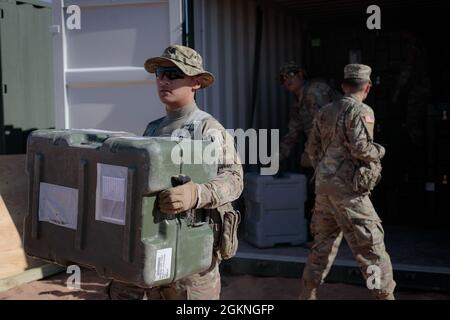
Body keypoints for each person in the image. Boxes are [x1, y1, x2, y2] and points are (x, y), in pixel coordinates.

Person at [108, 45, 243, 300]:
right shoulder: (153, 129)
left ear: (196, 83)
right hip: (157, 248)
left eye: (173, 74)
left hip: (193, 259)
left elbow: (234, 179)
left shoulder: (207, 128)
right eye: (159, 73)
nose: (163, 81)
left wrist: (197, 194)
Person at [300, 64, 396, 300]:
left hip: (324, 189)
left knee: (322, 246)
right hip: (349, 193)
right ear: (368, 87)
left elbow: (310, 150)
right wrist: (381, 151)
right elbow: (362, 148)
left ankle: (307, 294)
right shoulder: (362, 110)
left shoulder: (324, 111)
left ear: (343, 86)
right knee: (371, 249)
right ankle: (384, 296)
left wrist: (327, 170)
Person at [278, 62, 339, 243]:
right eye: (283, 78)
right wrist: (277, 158)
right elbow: (292, 133)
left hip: (336, 151)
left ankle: (325, 237)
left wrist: (308, 152)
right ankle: (322, 236)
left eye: (291, 74)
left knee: (329, 193)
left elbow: (323, 128)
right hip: (323, 151)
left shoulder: (314, 93)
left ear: (301, 74)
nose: (287, 80)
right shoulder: (298, 103)